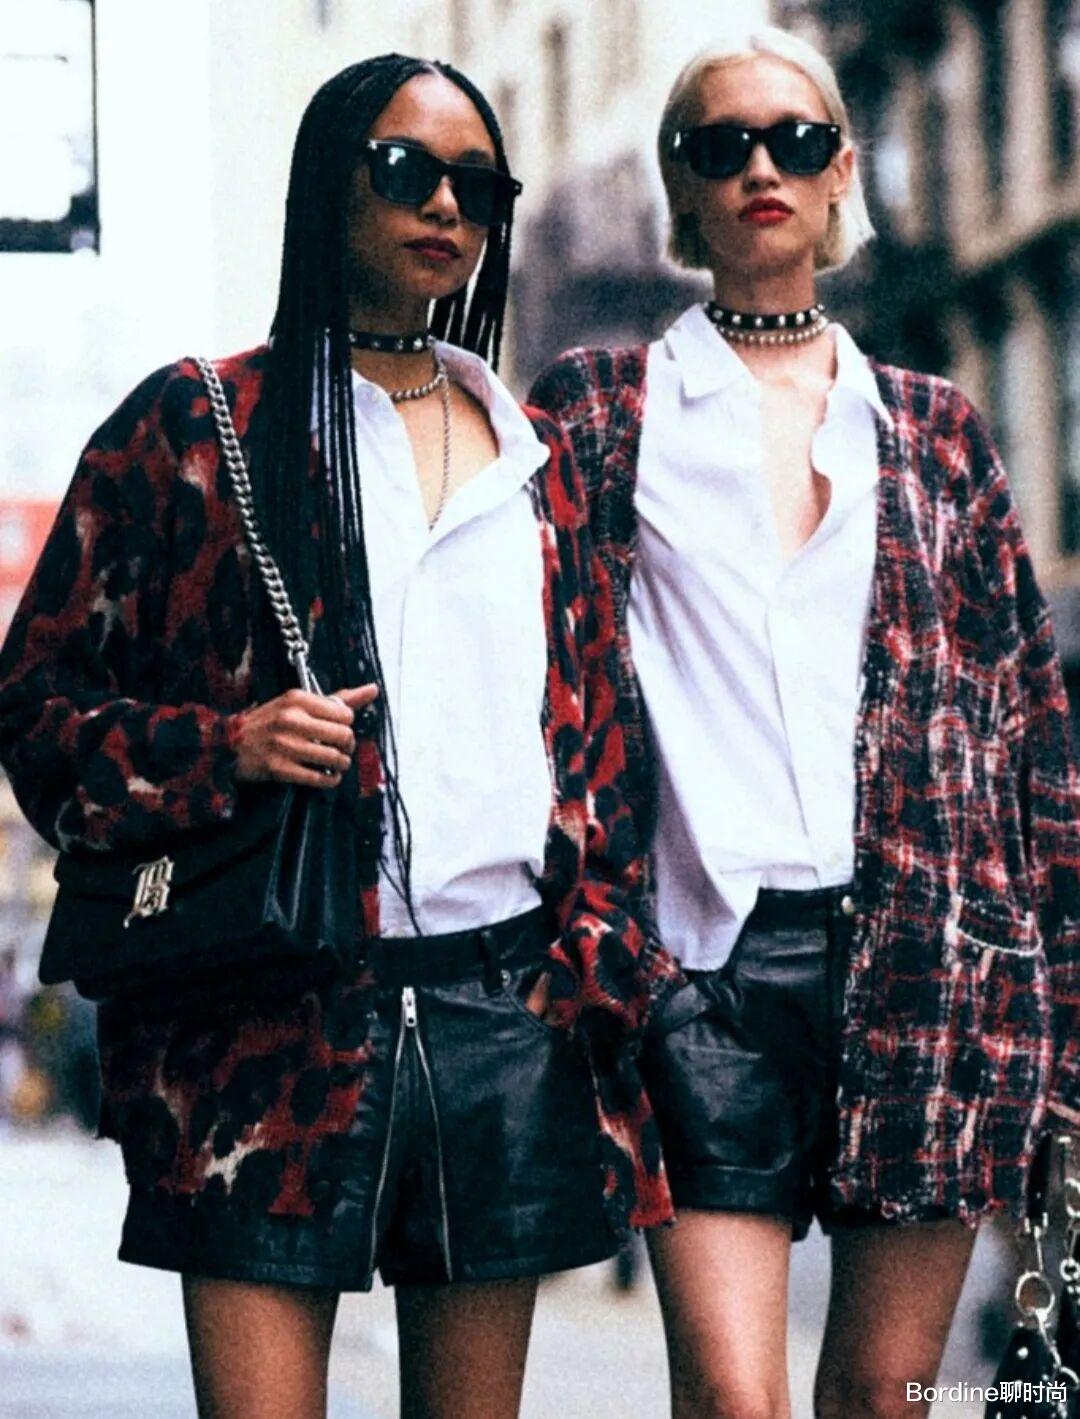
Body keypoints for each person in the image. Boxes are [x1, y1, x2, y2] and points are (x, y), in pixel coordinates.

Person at [0, 55, 676, 1419]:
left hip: (499, 1013)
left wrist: (588, 965)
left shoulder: (537, 463)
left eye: (478, 184)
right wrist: (224, 748)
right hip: (263, 1012)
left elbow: (602, 747)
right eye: (406, 169)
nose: (447, 205)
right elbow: (35, 706)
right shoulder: (195, 429)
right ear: (327, 185)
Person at [529, 24, 1080, 1419]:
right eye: (723, 145)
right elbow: (528, 682)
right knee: (733, 1399)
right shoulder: (599, 414)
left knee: (888, 1401)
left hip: (925, 969)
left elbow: (1030, 739)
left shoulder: (935, 429)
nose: (762, 168)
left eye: (797, 139)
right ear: (683, 183)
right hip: (701, 976)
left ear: (842, 174)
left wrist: (1062, 1019)